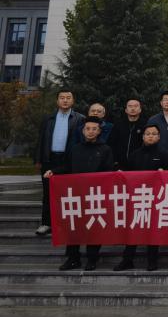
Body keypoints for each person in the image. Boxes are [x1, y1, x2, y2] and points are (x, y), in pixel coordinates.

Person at [43, 118, 114, 270]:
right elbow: (67, 167)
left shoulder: (105, 149)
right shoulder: (75, 149)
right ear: (83, 131)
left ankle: (92, 258)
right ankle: (73, 258)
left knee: (94, 227)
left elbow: (108, 172)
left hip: (95, 195)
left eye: (94, 129)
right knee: (73, 226)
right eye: (87, 129)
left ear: (99, 131)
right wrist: (53, 172)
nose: (90, 132)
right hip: (76, 195)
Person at [114, 123, 168, 272]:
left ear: (159, 137)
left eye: (154, 134)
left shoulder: (164, 154)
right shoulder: (135, 154)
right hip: (137, 198)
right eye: (148, 134)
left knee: (152, 230)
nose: (150, 136)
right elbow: (127, 173)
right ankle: (127, 260)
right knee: (133, 229)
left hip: (155, 199)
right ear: (143, 136)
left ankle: (152, 261)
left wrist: (164, 173)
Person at [33, 89, 85, 236]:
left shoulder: (80, 118)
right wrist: (38, 159)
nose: (65, 100)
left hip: (68, 160)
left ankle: (67, 224)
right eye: (62, 98)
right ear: (57, 101)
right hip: (49, 159)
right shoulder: (48, 118)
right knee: (48, 193)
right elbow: (41, 139)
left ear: (73, 101)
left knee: (69, 193)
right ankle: (46, 223)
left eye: (68, 97)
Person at [109, 98, 146, 170]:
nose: (133, 108)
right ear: (126, 110)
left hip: (139, 164)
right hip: (119, 165)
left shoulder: (145, 125)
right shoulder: (118, 125)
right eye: (130, 106)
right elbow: (111, 144)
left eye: (136, 106)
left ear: (140, 110)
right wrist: (115, 161)